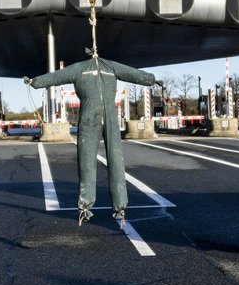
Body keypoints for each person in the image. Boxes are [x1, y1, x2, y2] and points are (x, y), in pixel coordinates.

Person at [26, 56, 157, 224]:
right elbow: (133, 73)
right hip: (103, 116)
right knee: (103, 161)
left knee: (98, 161)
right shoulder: (108, 67)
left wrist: (35, 82)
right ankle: (105, 207)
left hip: (93, 116)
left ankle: (104, 207)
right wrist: (152, 79)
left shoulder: (86, 68)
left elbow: (57, 76)